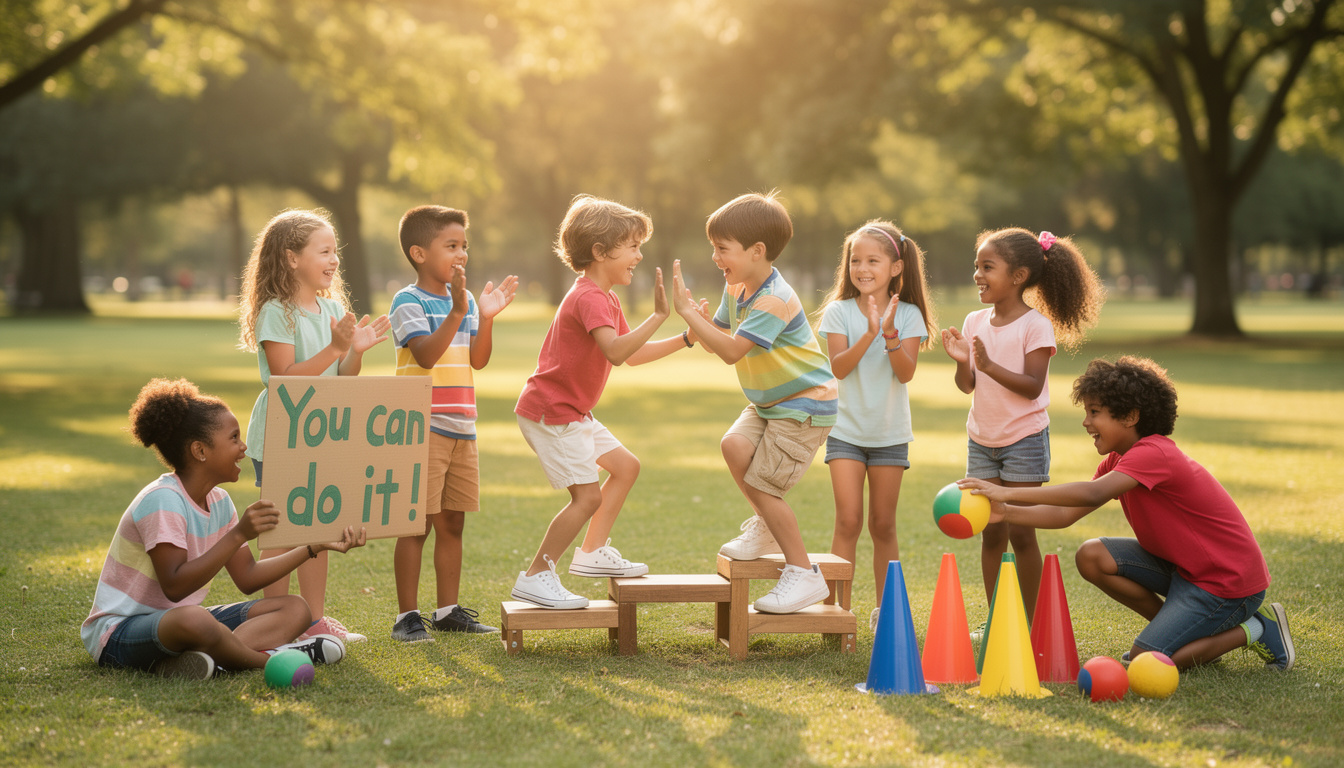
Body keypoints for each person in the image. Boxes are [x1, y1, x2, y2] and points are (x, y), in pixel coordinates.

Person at [958, 356, 1294, 671]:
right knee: (1092, 556)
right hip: (1187, 572)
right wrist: (1004, 512)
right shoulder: (1118, 460)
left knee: (1147, 661)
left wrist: (1004, 491)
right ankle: (1186, 635)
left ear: (1130, 417)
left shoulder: (1154, 453)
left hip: (1227, 583)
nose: (1086, 421)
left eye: (1095, 412)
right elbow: (1064, 514)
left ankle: (1258, 628)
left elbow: (1091, 492)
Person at [82, 378, 367, 680]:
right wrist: (239, 534)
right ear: (200, 450)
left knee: (296, 608)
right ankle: (271, 659)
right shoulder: (162, 501)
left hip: (181, 623)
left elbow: (247, 578)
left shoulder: (219, 501)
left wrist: (313, 547)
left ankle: (205, 660)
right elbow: (176, 587)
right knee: (195, 619)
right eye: (234, 438)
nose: (243, 448)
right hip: (120, 632)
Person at [511, 195, 698, 609]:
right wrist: (657, 317)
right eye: (631, 246)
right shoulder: (590, 298)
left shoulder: (605, 297)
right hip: (553, 413)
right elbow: (615, 351)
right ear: (599, 251)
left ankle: (592, 552)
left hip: (573, 412)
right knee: (587, 498)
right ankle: (537, 575)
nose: (639, 254)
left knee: (625, 467)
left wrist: (686, 339)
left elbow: (631, 354)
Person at [670, 191, 837, 615]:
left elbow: (730, 352)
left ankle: (803, 574)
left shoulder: (772, 299)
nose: (714, 257)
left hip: (803, 405)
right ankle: (765, 528)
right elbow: (719, 341)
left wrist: (688, 315)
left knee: (764, 485)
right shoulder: (739, 287)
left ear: (756, 251)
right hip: (771, 405)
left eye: (722, 249)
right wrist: (703, 320)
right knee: (734, 447)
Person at [941, 228, 1103, 639]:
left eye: (987, 267)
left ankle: (1027, 623)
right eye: (976, 266)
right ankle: (998, 619)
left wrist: (990, 365)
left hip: (1024, 441)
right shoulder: (975, 320)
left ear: (1018, 276)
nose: (977, 274)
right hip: (981, 439)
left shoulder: (1036, 326)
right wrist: (964, 361)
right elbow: (968, 385)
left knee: (1020, 530)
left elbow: (1032, 386)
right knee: (991, 529)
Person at [237, 209, 390, 644]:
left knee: (317, 528)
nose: (334, 259)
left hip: (324, 432)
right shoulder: (276, 312)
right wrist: (335, 347)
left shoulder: (332, 307)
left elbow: (343, 376)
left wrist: (354, 351)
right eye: (323, 250)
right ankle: (275, 619)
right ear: (291, 258)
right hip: (283, 433)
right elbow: (284, 377)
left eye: (334, 250)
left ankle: (313, 622)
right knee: (281, 529)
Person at [387, 205, 519, 641]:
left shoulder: (460, 303)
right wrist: (459, 310)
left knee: (453, 523)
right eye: (451, 246)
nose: (461, 254)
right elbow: (425, 354)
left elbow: (478, 360)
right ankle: (408, 616)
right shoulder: (407, 301)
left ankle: (448, 612)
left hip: (463, 427)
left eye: (464, 246)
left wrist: (487, 316)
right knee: (415, 523)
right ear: (419, 253)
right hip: (421, 425)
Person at [816, 221, 937, 629]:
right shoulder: (839, 310)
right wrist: (869, 333)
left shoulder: (910, 315)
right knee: (847, 521)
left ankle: (888, 612)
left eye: (873, 260)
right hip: (845, 432)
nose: (862, 268)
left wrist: (888, 334)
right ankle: (837, 611)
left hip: (889, 435)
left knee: (883, 524)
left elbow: (905, 374)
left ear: (896, 267)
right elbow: (839, 368)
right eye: (855, 260)